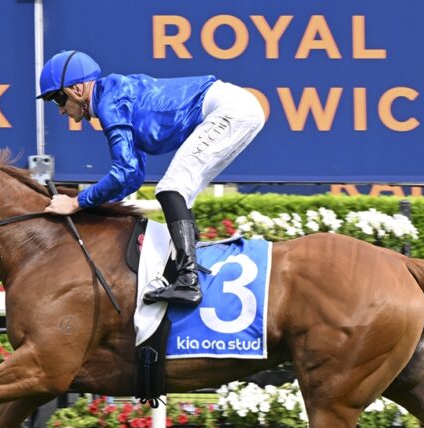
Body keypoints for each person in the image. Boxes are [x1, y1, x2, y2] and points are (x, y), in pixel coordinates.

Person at [38, 50, 265, 306]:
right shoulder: (112, 97)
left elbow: (124, 172)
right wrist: (90, 205)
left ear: (78, 89)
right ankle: (189, 271)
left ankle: (188, 280)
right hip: (237, 108)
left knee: (171, 189)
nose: (60, 110)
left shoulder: (110, 103)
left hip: (228, 109)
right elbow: (133, 177)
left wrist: (76, 202)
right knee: (179, 194)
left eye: (58, 98)